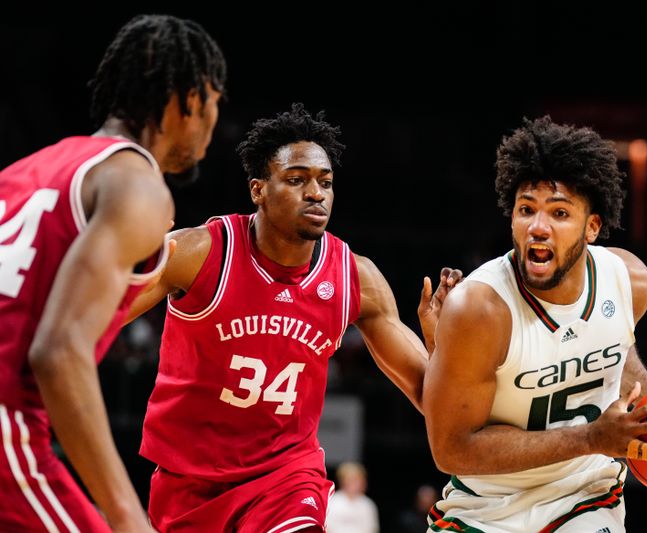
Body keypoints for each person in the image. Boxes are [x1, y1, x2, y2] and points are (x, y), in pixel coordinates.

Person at [125, 103, 461, 532]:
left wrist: (442, 346)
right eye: (297, 180)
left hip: (285, 478)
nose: (316, 193)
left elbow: (433, 400)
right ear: (258, 190)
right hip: (189, 480)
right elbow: (93, 320)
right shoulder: (199, 253)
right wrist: (131, 260)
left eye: (326, 182)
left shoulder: (354, 276)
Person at [0, 14, 226, 532]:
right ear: (184, 97)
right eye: (214, 100)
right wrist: (127, 515)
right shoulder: (138, 186)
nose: (215, 121)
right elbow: (57, 353)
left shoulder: (27, 170)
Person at [422, 116, 647, 533]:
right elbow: (451, 450)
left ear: (592, 227)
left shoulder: (630, 282)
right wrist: (593, 438)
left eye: (559, 213)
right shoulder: (481, 308)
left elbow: (615, 347)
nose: (538, 227)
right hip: (489, 509)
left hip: (586, 494)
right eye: (526, 210)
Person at [326, 462, 379, 533]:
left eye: (358, 479)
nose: (356, 483)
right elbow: (328, 528)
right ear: (343, 481)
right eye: (352, 479)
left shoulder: (367, 504)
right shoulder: (332, 502)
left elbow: (372, 529)